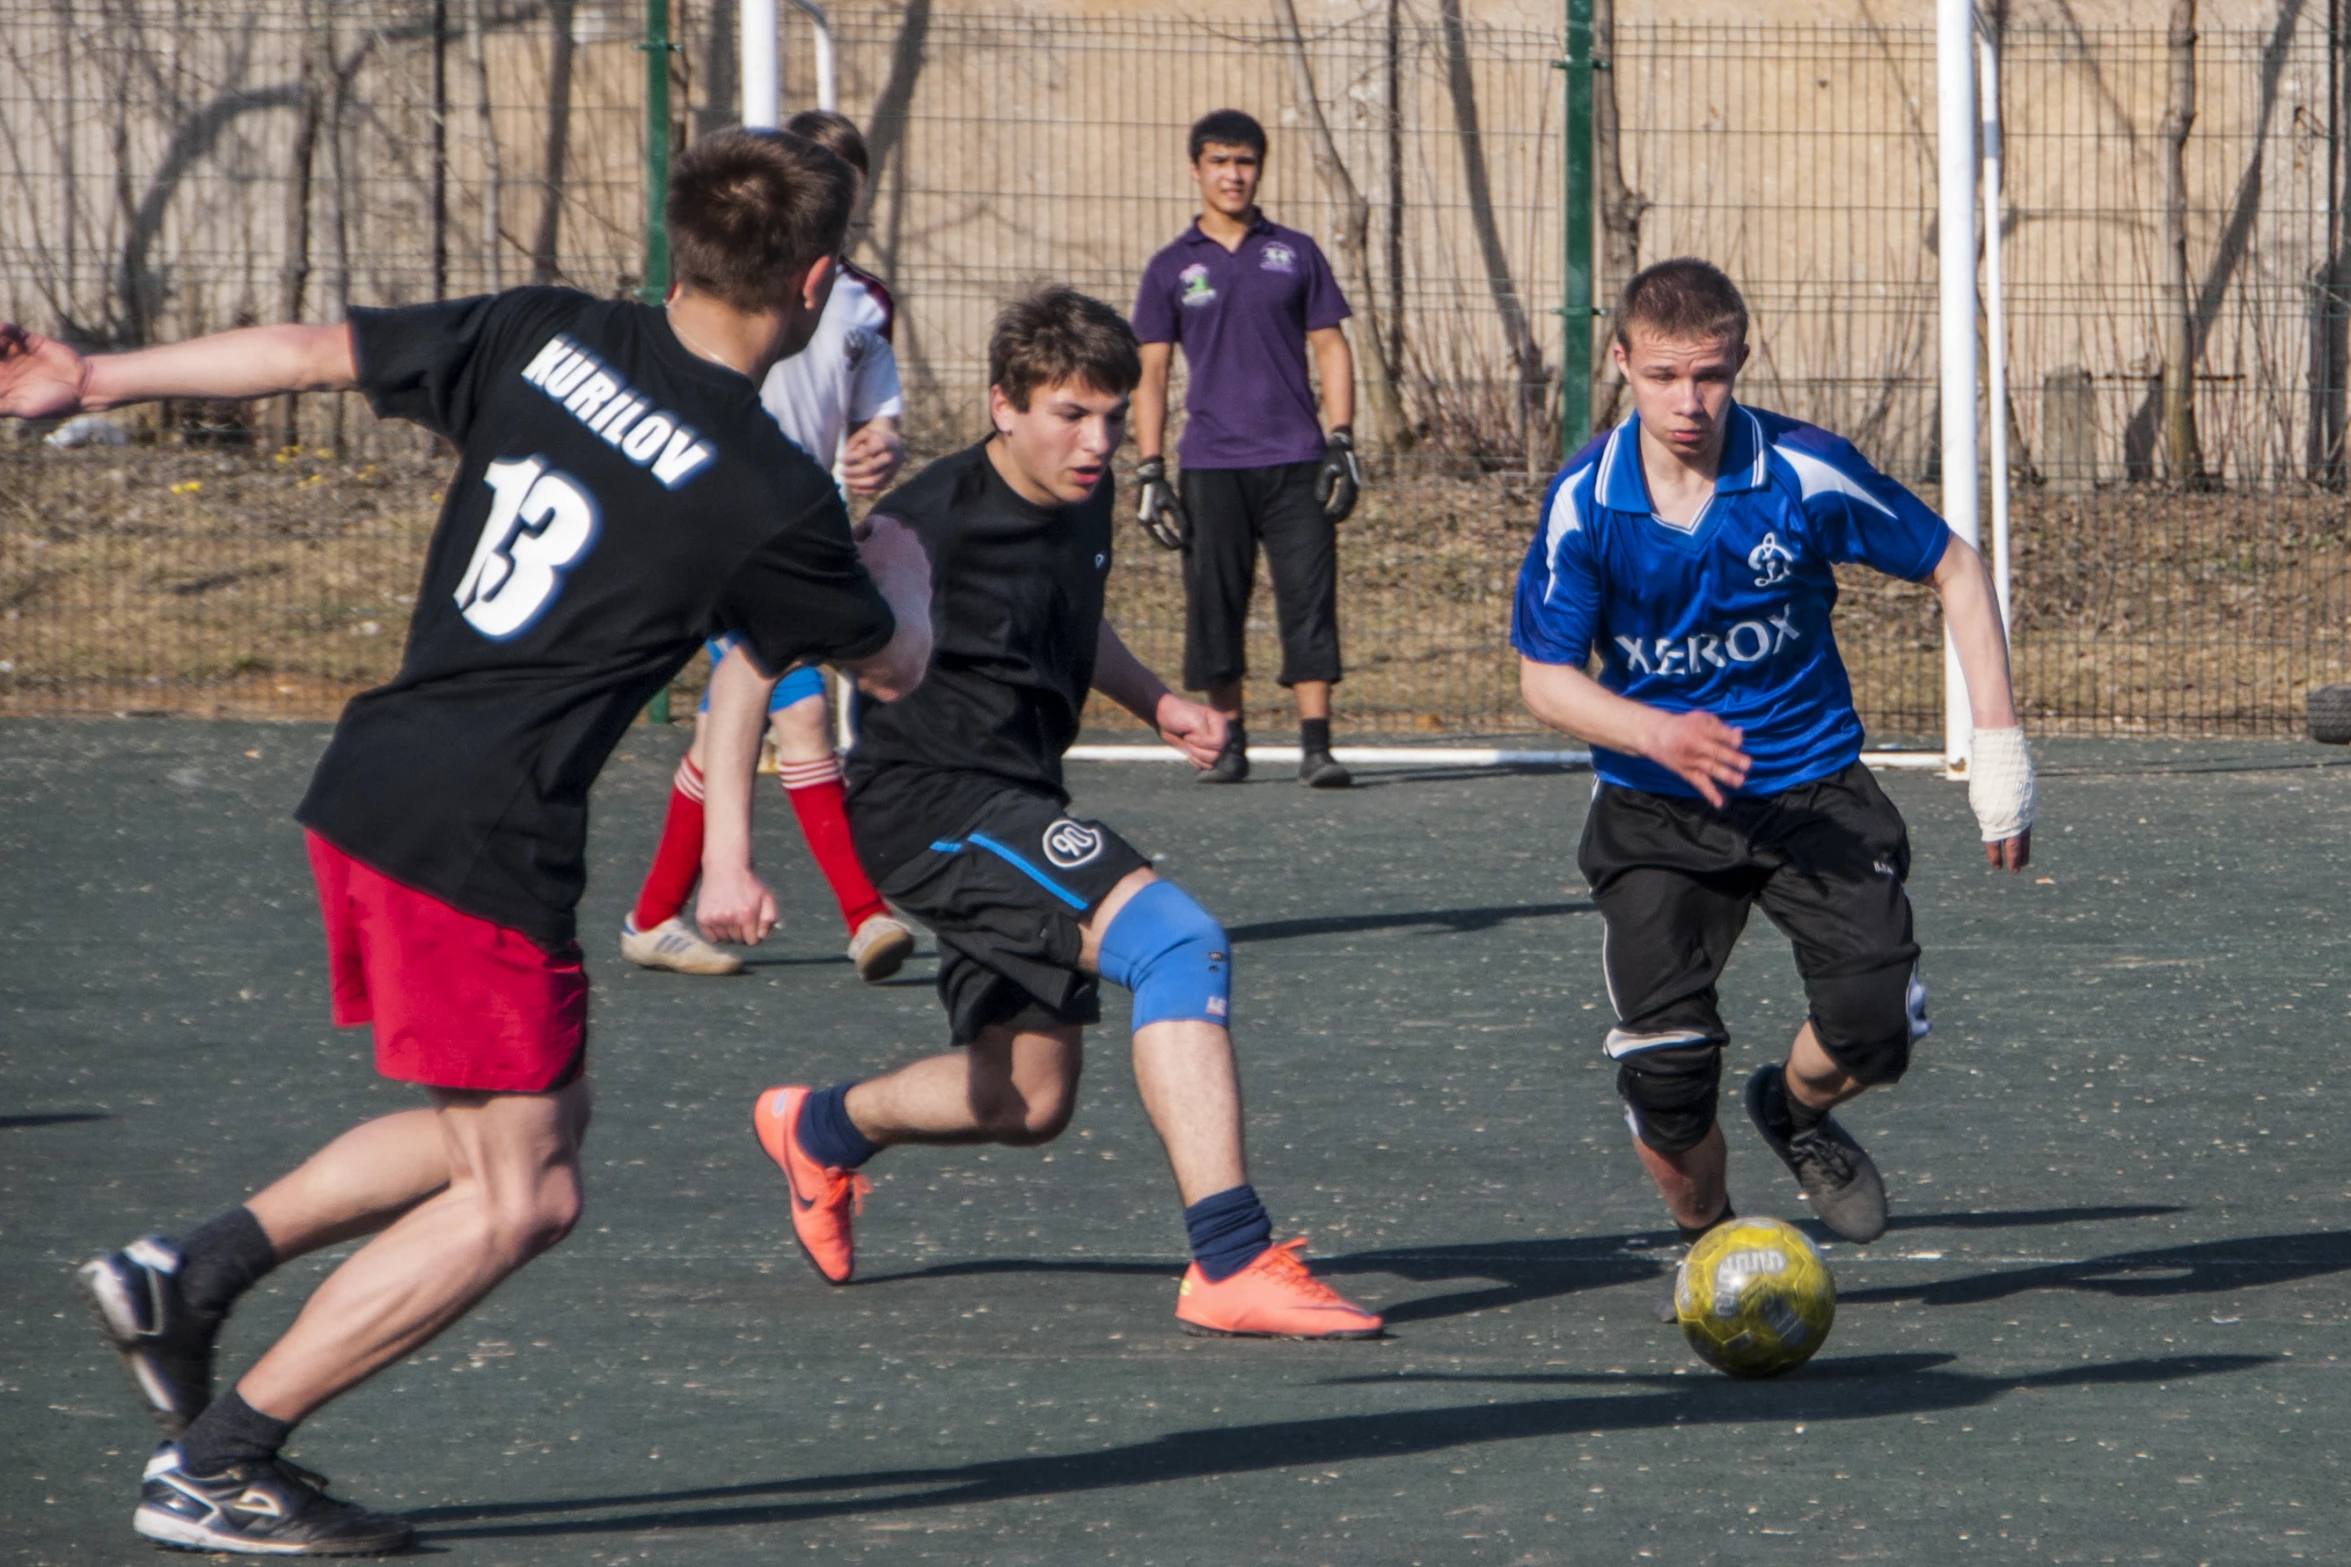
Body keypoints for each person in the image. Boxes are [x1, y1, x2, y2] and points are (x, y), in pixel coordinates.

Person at [4, 128, 932, 1554]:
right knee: (526, 1189)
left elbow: (312, 350)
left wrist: (94, 377)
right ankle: (223, 1459)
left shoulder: (543, 328)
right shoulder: (766, 489)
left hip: (377, 781)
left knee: (486, 1133)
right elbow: (888, 669)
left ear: (675, 243)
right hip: (482, 832)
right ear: (814, 283)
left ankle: (182, 1273)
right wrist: (899, 563)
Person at [700, 286, 1384, 1339]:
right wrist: (726, 859)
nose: (1097, 441)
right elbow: (750, 662)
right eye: (1070, 413)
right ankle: (1231, 1259)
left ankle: (820, 1127)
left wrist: (1155, 701)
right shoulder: (920, 528)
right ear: (1002, 406)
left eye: (1113, 415)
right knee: (1178, 944)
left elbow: (1074, 615)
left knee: (1022, 1098)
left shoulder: (1083, 487)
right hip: (931, 807)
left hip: (1012, 797)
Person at [1510, 258, 2035, 1304]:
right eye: (1661, 374)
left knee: (1874, 1027)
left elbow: (1953, 566)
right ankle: (1716, 1253)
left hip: (1810, 796)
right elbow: (1543, 679)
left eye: (1707, 374)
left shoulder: (1803, 471)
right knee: (1663, 1071)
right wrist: (1653, 734)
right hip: (1658, 810)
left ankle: (1792, 1111)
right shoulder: (1586, 503)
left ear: (1738, 362)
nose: (1686, 401)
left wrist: (2000, 750)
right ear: (1619, 363)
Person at [623, 108, 917, 983]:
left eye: (841, 193)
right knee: (800, 709)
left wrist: (880, 446)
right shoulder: (719, 285)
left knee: (728, 719)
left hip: (803, 529)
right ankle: (864, 913)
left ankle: (649, 916)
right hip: (719, 523)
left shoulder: (862, 300)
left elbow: (877, 415)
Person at [1132, 108, 1364, 789]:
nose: (1232, 175)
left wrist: (1342, 440)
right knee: (1215, 603)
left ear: (1259, 169)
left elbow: (1330, 345)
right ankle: (1227, 741)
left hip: (1296, 457)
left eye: (1245, 162)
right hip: (1209, 463)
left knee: (1308, 599)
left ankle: (1316, 746)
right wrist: (1148, 468)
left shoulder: (1294, 252)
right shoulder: (1171, 267)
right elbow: (1150, 371)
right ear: (1195, 169)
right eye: (1219, 162)